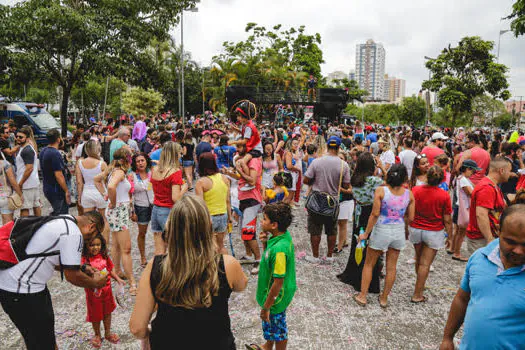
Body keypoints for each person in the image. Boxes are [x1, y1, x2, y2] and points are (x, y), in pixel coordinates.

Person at [129, 195, 248, 349]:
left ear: (170, 229)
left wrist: (148, 335)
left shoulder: (155, 266)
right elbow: (241, 285)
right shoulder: (227, 264)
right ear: (208, 226)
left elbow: (136, 328)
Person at [0, 211, 106, 350]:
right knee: (41, 342)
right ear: (91, 227)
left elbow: (49, 257)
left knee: (40, 337)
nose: (89, 241)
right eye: (93, 236)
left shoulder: (64, 219)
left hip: (14, 286)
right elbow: (72, 276)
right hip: (24, 291)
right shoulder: (73, 233)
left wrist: (83, 267)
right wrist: (97, 283)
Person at [439, 205, 525, 350]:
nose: (518, 251)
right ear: (498, 231)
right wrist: (448, 338)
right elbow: (462, 299)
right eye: (510, 242)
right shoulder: (479, 257)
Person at [353, 164, 414, 308]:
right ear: (404, 178)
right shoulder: (409, 194)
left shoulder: (381, 191)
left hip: (381, 229)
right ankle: (384, 298)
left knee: (369, 263)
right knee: (391, 267)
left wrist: (366, 234)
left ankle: (362, 296)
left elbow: (374, 214)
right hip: (398, 230)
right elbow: (411, 217)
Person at [246, 203, 296, 350]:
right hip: (273, 295)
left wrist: (266, 307)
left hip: (275, 298)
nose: (262, 222)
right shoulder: (281, 237)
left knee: (279, 330)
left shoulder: (280, 250)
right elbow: (270, 259)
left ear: (274, 225)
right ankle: (267, 346)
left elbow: (278, 282)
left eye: (265, 219)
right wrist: (265, 243)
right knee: (271, 325)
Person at [337, 153, 384, 292]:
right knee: (370, 245)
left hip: (359, 212)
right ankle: (368, 277)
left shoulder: (355, 179)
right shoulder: (375, 181)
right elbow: (390, 185)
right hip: (371, 213)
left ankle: (353, 273)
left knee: (357, 243)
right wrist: (383, 169)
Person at [94, 148, 136, 295]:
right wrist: (112, 200)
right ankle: (132, 282)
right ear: (127, 159)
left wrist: (105, 195)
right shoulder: (119, 172)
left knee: (117, 245)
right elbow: (111, 186)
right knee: (126, 248)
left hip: (116, 211)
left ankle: (117, 270)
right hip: (119, 210)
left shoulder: (112, 170)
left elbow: (96, 180)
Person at [303, 136, 351, 263]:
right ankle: (329, 256)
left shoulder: (317, 162)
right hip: (333, 202)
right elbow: (346, 185)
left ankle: (315, 256)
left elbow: (306, 180)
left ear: (327, 147)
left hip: (316, 200)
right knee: (331, 230)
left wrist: (317, 181)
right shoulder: (343, 165)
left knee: (315, 229)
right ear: (339, 148)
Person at [409, 166, 453, 303]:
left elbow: (409, 210)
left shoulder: (415, 190)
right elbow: (447, 219)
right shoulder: (444, 195)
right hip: (433, 231)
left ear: (427, 176)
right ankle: (418, 293)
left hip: (416, 229)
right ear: (441, 180)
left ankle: (419, 284)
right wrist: (450, 236)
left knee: (419, 260)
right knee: (425, 264)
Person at [81, 233, 125, 348]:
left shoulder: (104, 256)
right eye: (92, 245)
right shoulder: (84, 260)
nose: (95, 247)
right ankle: (97, 334)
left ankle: (107, 333)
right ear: (86, 246)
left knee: (107, 312)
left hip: (107, 291)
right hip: (93, 293)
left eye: (98, 245)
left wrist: (118, 279)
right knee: (95, 315)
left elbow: (110, 270)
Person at [465, 157, 510, 256]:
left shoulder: (493, 185)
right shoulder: (487, 188)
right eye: (509, 171)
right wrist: (489, 238)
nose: (510, 174)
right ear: (501, 171)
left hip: (485, 237)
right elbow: (481, 215)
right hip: (481, 238)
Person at [150, 141, 188, 255]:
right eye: (179, 154)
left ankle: (158, 271)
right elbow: (175, 198)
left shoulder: (155, 169)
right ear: (174, 154)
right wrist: (184, 188)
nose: (181, 156)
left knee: (159, 249)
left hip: (156, 210)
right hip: (168, 211)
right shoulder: (175, 172)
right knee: (175, 248)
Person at [233, 143, 263, 274]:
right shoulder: (246, 160)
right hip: (244, 198)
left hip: (252, 199)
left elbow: (252, 181)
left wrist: (239, 170)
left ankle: (258, 259)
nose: (237, 149)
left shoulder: (254, 161)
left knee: (248, 232)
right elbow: (243, 179)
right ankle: (249, 255)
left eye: (239, 147)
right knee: (243, 230)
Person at [195, 152, 231, 255]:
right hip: (223, 215)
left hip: (209, 217)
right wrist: (229, 218)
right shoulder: (224, 178)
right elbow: (227, 201)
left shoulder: (201, 182)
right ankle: (224, 266)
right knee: (221, 246)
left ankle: (212, 269)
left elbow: (200, 205)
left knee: (209, 247)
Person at [76, 140, 109, 242]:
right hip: (100, 192)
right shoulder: (102, 164)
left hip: (87, 192)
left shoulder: (80, 163)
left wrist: (79, 197)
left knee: (88, 221)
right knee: (104, 219)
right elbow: (106, 180)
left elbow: (79, 182)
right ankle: (105, 243)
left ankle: (89, 244)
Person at [130, 153, 154, 268]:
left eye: (142, 160)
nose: (140, 163)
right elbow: (130, 196)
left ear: (146, 161)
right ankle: (143, 256)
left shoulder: (152, 172)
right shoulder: (132, 176)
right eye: (138, 161)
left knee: (159, 232)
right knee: (142, 233)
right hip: (141, 207)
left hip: (154, 205)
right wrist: (132, 211)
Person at [39, 129, 70, 215]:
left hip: (47, 187)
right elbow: (59, 175)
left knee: (56, 212)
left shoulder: (43, 151)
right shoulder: (55, 153)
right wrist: (66, 190)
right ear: (58, 139)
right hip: (57, 190)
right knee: (61, 214)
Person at [452, 160, 479, 262]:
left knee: (459, 231)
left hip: (459, 207)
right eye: (473, 171)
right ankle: (457, 253)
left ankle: (454, 250)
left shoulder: (460, 178)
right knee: (461, 232)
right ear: (468, 169)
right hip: (463, 208)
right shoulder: (464, 180)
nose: (474, 173)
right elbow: (472, 193)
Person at [15, 126, 41, 217]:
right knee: (35, 205)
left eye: (21, 137)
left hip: (26, 184)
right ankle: (39, 225)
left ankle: (25, 228)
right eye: (17, 136)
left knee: (25, 207)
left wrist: (20, 183)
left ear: (27, 138)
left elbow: (29, 168)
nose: (18, 138)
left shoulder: (27, 150)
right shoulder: (27, 147)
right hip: (32, 182)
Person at [0, 151, 23, 224]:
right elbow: (13, 182)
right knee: (7, 224)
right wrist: (20, 194)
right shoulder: (4, 164)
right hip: (4, 196)